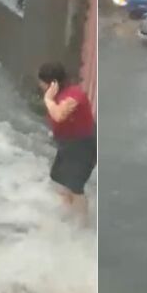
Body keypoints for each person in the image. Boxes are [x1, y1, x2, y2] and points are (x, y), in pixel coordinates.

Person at [38, 62, 96, 223]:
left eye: (41, 82)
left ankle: (82, 225)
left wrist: (48, 99)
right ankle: (68, 214)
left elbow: (59, 115)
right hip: (69, 144)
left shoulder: (73, 95)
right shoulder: (59, 96)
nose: (40, 85)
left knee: (75, 186)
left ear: (51, 84)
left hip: (84, 145)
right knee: (60, 177)